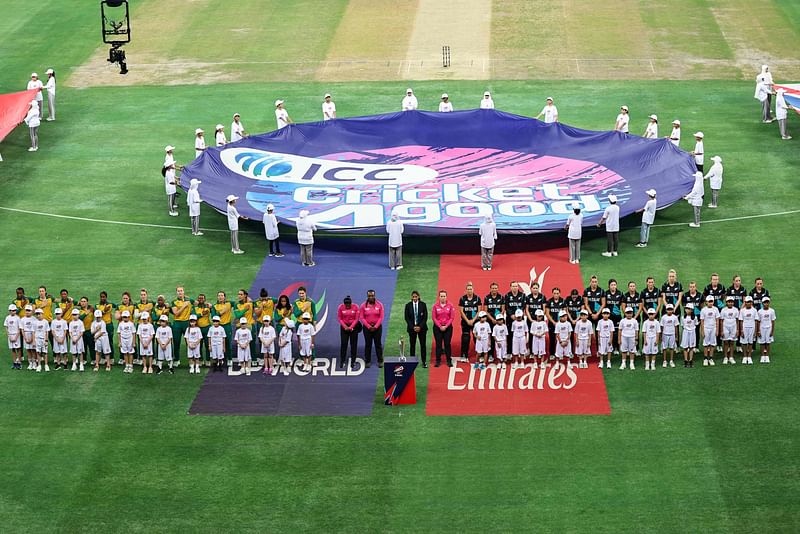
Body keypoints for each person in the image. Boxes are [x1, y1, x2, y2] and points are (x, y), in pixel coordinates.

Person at [360, 290, 385, 368]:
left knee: (378, 344)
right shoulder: (363, 306)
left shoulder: (379, 305)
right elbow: (361, 317)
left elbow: (381, 317)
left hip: (377, 328)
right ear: (367, 296)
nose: (371, 297)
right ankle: (367, 361)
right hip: (367, 328)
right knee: (368, 344)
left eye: (372, 296)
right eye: (369, 296)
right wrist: (368, 326)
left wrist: (375, 326)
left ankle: (380, 361)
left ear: (374, 296)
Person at [458, 283, 481, 364]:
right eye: (468, 289)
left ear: (473, 290)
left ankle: (480, 354)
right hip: (465, 322)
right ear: (466, 290)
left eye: (471, 289)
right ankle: (464, 355)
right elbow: (461, 311)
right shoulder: (462, 299)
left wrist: (473, 320)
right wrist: (468, 320)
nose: (469, 290)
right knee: (465, 338)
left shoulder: (477, 298)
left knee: (477, 338)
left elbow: (479, 311)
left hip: (476, 322)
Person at [404, 291, 428, 367]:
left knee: (423, 345)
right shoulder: (408, 305)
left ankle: (424, 362)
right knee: (412, 345)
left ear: (418, 297)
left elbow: (425, 317)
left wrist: (420, 327)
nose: (414, 298)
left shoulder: (423, 305)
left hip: (422, 329)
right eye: (413, 297)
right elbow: (407, 318)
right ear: (411, 297)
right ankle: (412, 362)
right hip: (412, 329)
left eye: (416, 296)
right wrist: (413, 327)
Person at [171, 286, 193, 366]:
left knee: (189, 342)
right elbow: (176, 313)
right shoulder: (174, 301)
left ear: (184, 292)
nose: (180, 292)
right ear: (176, 292)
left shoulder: (190, 300)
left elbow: (198, 303)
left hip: (186, 323)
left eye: (181, 291)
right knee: (176, 342)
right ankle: (176, 359)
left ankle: (191, 360)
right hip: (177, 323)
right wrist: (184, 306)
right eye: (178, 291)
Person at [432, 290, 455, 367]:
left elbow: (452, 318)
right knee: (438, 344)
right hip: (437, 328)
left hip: (448, 328)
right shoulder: (435, 306)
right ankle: (438, 360)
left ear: (446, 297)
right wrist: (440, 326)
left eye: (444, 296)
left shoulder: (450, 305)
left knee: (447, 344)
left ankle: (449, 360)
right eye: (441, 296)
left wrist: (446, 326)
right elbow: (434, 318)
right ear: (439, 297)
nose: (443, 298)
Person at [338, 296, 360, 369]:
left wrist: (351, 327)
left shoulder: (356, 307)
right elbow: (340, 318)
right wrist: (345, 327)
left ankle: (353, 361)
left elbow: (356, 319)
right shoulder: (341, 307)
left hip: (353, 328)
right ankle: (342, 361)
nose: (347, 306)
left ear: (351, 303)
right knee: (344, 344)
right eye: (346, 304)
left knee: (353, 345)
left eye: (348, 304)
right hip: (344, 328)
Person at [483, 282, 504, 360]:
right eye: (493, 288)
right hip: (490, 321)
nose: (494, 289)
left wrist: (498, 319)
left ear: (497, 289)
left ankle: (502, 354)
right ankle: (491, 354)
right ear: (490, 289)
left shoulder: (501, 297)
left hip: (500, 321)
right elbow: (486, 311)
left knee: (501, 336)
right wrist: (492, 319)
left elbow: (503, 309)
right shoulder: (487, 298)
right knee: (491, 337)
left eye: (495, 288)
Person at [192, 294, 212, 366]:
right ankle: (200, 359)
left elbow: (214, 314)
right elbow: (193, 317)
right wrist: (201, 314)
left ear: (205, 300)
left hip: (207, 327)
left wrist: (211, 307)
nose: (201, 300)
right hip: (198, 328)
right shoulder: (195, 308)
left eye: (202, 298)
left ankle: (208, 360)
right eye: (199, 298)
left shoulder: (208, 307)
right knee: (199, 345)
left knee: (207, 344)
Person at [738, 296, 758, 365]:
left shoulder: (754, 310)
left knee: (750, 342)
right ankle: (745, 356)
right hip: (744, 328)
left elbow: (756, 321)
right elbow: (740, 321)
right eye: (747, 302)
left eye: (749, 302)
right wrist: (741, 330)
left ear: (751, 302)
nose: (748, 303)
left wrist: (755, 331)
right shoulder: (742, 310)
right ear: (745, 303)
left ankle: (749, 356)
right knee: (744, 342)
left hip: (752, 327)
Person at [719, 296, 739, 365]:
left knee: (732, 342)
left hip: (733, 327)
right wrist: (721, 330)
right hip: (725, 327)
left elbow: (737, 320)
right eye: (729, 302)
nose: (730, 303)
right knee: (726, 342)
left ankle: (731, 357)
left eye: (731, 302)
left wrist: (737, 329)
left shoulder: (736, 310)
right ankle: (725, 357)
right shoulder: (723, 310)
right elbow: (721, 321)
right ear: (726, 302)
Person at [757, 297, 775, 363]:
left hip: (769, 328)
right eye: (765, 302)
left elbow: (773, 321)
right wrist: (758, 330)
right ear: (762, 303)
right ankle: (762, 356)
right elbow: (758, 322)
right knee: (762, 343)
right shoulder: (759, 311)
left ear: (769, 303)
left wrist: (772, 331)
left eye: (767, 302)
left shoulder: (772, 311)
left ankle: (767, 356)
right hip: (762, 328)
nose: (766, 304)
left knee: (768, 342)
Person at [163, 145, 180, 216]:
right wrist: (177, 183)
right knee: (170, 199)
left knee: (173, 197)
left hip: (172, 187)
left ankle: (173, 207)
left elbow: (173, 177)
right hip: (170, 187)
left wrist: (177, 179)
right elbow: (171, 182)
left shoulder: (170, 172)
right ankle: (171, 211)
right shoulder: (168, 173)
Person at [6, 304, 22, 370]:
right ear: (9, 311)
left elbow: (19, 328)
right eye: (11, 310)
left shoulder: (18, 318)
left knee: (18, 349)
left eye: (14, 310)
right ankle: (14, 362)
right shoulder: (7, 318)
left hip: (16, 336)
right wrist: (9, 336)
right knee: (13, 349)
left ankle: (19, 363)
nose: (12, 312)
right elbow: (6, 327)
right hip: (10, 336)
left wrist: (16, 337)